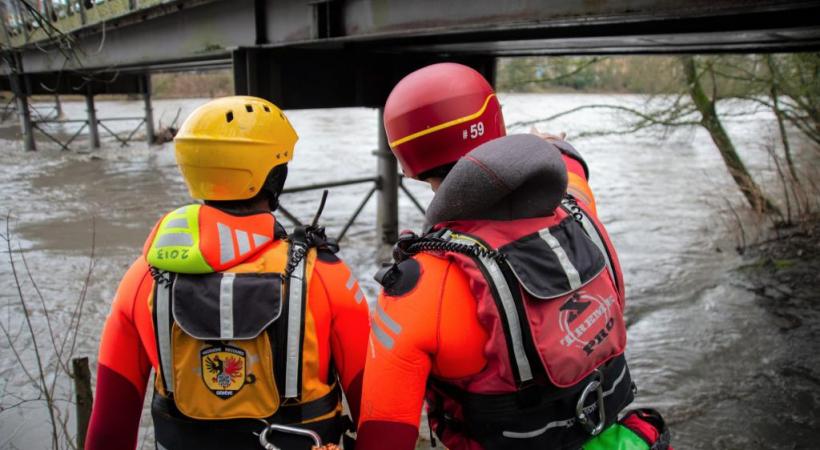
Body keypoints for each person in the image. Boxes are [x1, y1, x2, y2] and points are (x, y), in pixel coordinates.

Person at [357, 63, 671, 450]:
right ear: (495, 123)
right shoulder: (581, 214)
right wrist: (552, 147)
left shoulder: (416, 288)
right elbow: (571, 173)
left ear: (409, 158)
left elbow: (383, 436)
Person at [85, 96, 370, 450]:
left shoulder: (143, 277)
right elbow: (377, 415)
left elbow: (109, 431)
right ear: (274, 177)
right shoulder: (324, 275)